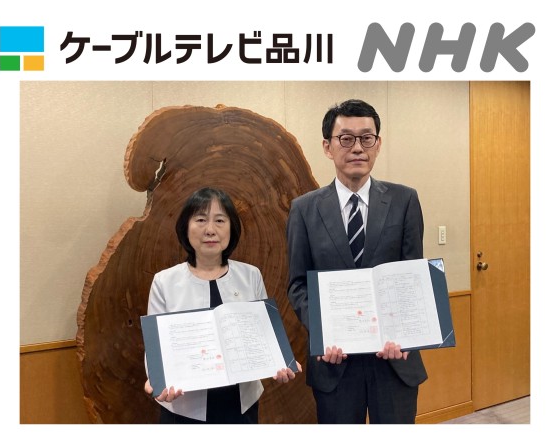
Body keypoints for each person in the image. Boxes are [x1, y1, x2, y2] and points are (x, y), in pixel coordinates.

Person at [286, 99, 427, 424]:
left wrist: (405, 334)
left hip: (394, 359)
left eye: (367, 138)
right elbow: (298, 284)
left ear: (378, 144)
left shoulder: (405, 200)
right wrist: (324, 331)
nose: (358, 148)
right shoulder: (304, 210)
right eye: (346, 139)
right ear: (328, 146)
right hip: (334, 362)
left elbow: (412, 278)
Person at [144, 187, 300, 424]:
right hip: (183, 405)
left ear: (231, 228)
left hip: (241, 403)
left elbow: (265, 336)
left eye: (219, 220)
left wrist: (280, 362)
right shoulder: (164, 281)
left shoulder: (251, 276)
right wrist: (157, 380)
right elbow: (155, 346)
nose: (210, 230)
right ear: (185, 227)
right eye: (200, 220)